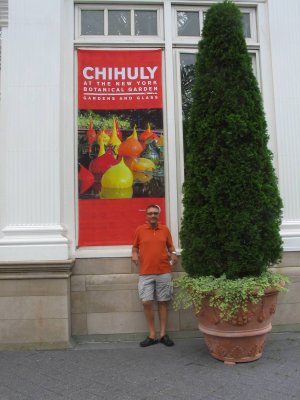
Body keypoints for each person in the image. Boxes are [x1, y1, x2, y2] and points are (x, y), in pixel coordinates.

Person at [132, 204, 178, 347]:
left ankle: (163, 334)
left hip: (163, 271)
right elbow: (135, 247)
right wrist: (134, 255)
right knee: (146, 302)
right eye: (150, 213)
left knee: (163, 302)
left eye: (155, 213)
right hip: (145, 272)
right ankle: (152, 335)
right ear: (146, 215)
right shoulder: (140, 230)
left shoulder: (165, 229)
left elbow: (171, 246)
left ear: (159, 215)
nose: (153, 215)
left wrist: (174, 254)